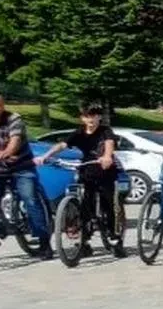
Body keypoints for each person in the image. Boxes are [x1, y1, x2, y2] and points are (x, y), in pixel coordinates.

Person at [35, 104, 125, 258]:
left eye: (94, 116)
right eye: (87, 116)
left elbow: (109, 144)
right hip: (87, 170)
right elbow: (63, 145)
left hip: (105, 171)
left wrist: (107, 157)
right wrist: (45, 156)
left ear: (99, 117)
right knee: (85, 206)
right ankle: (85, 242)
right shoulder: (79, 132)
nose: (91, 119)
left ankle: (115, 239)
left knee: (109, 204)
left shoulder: (105, 131)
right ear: (82, 118)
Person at [0, 93, 52, 257]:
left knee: (30, 199)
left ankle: (44, 242)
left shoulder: (14, 119)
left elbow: (14, 144)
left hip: (21, 167)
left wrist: (4, 153)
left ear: (3, 106)